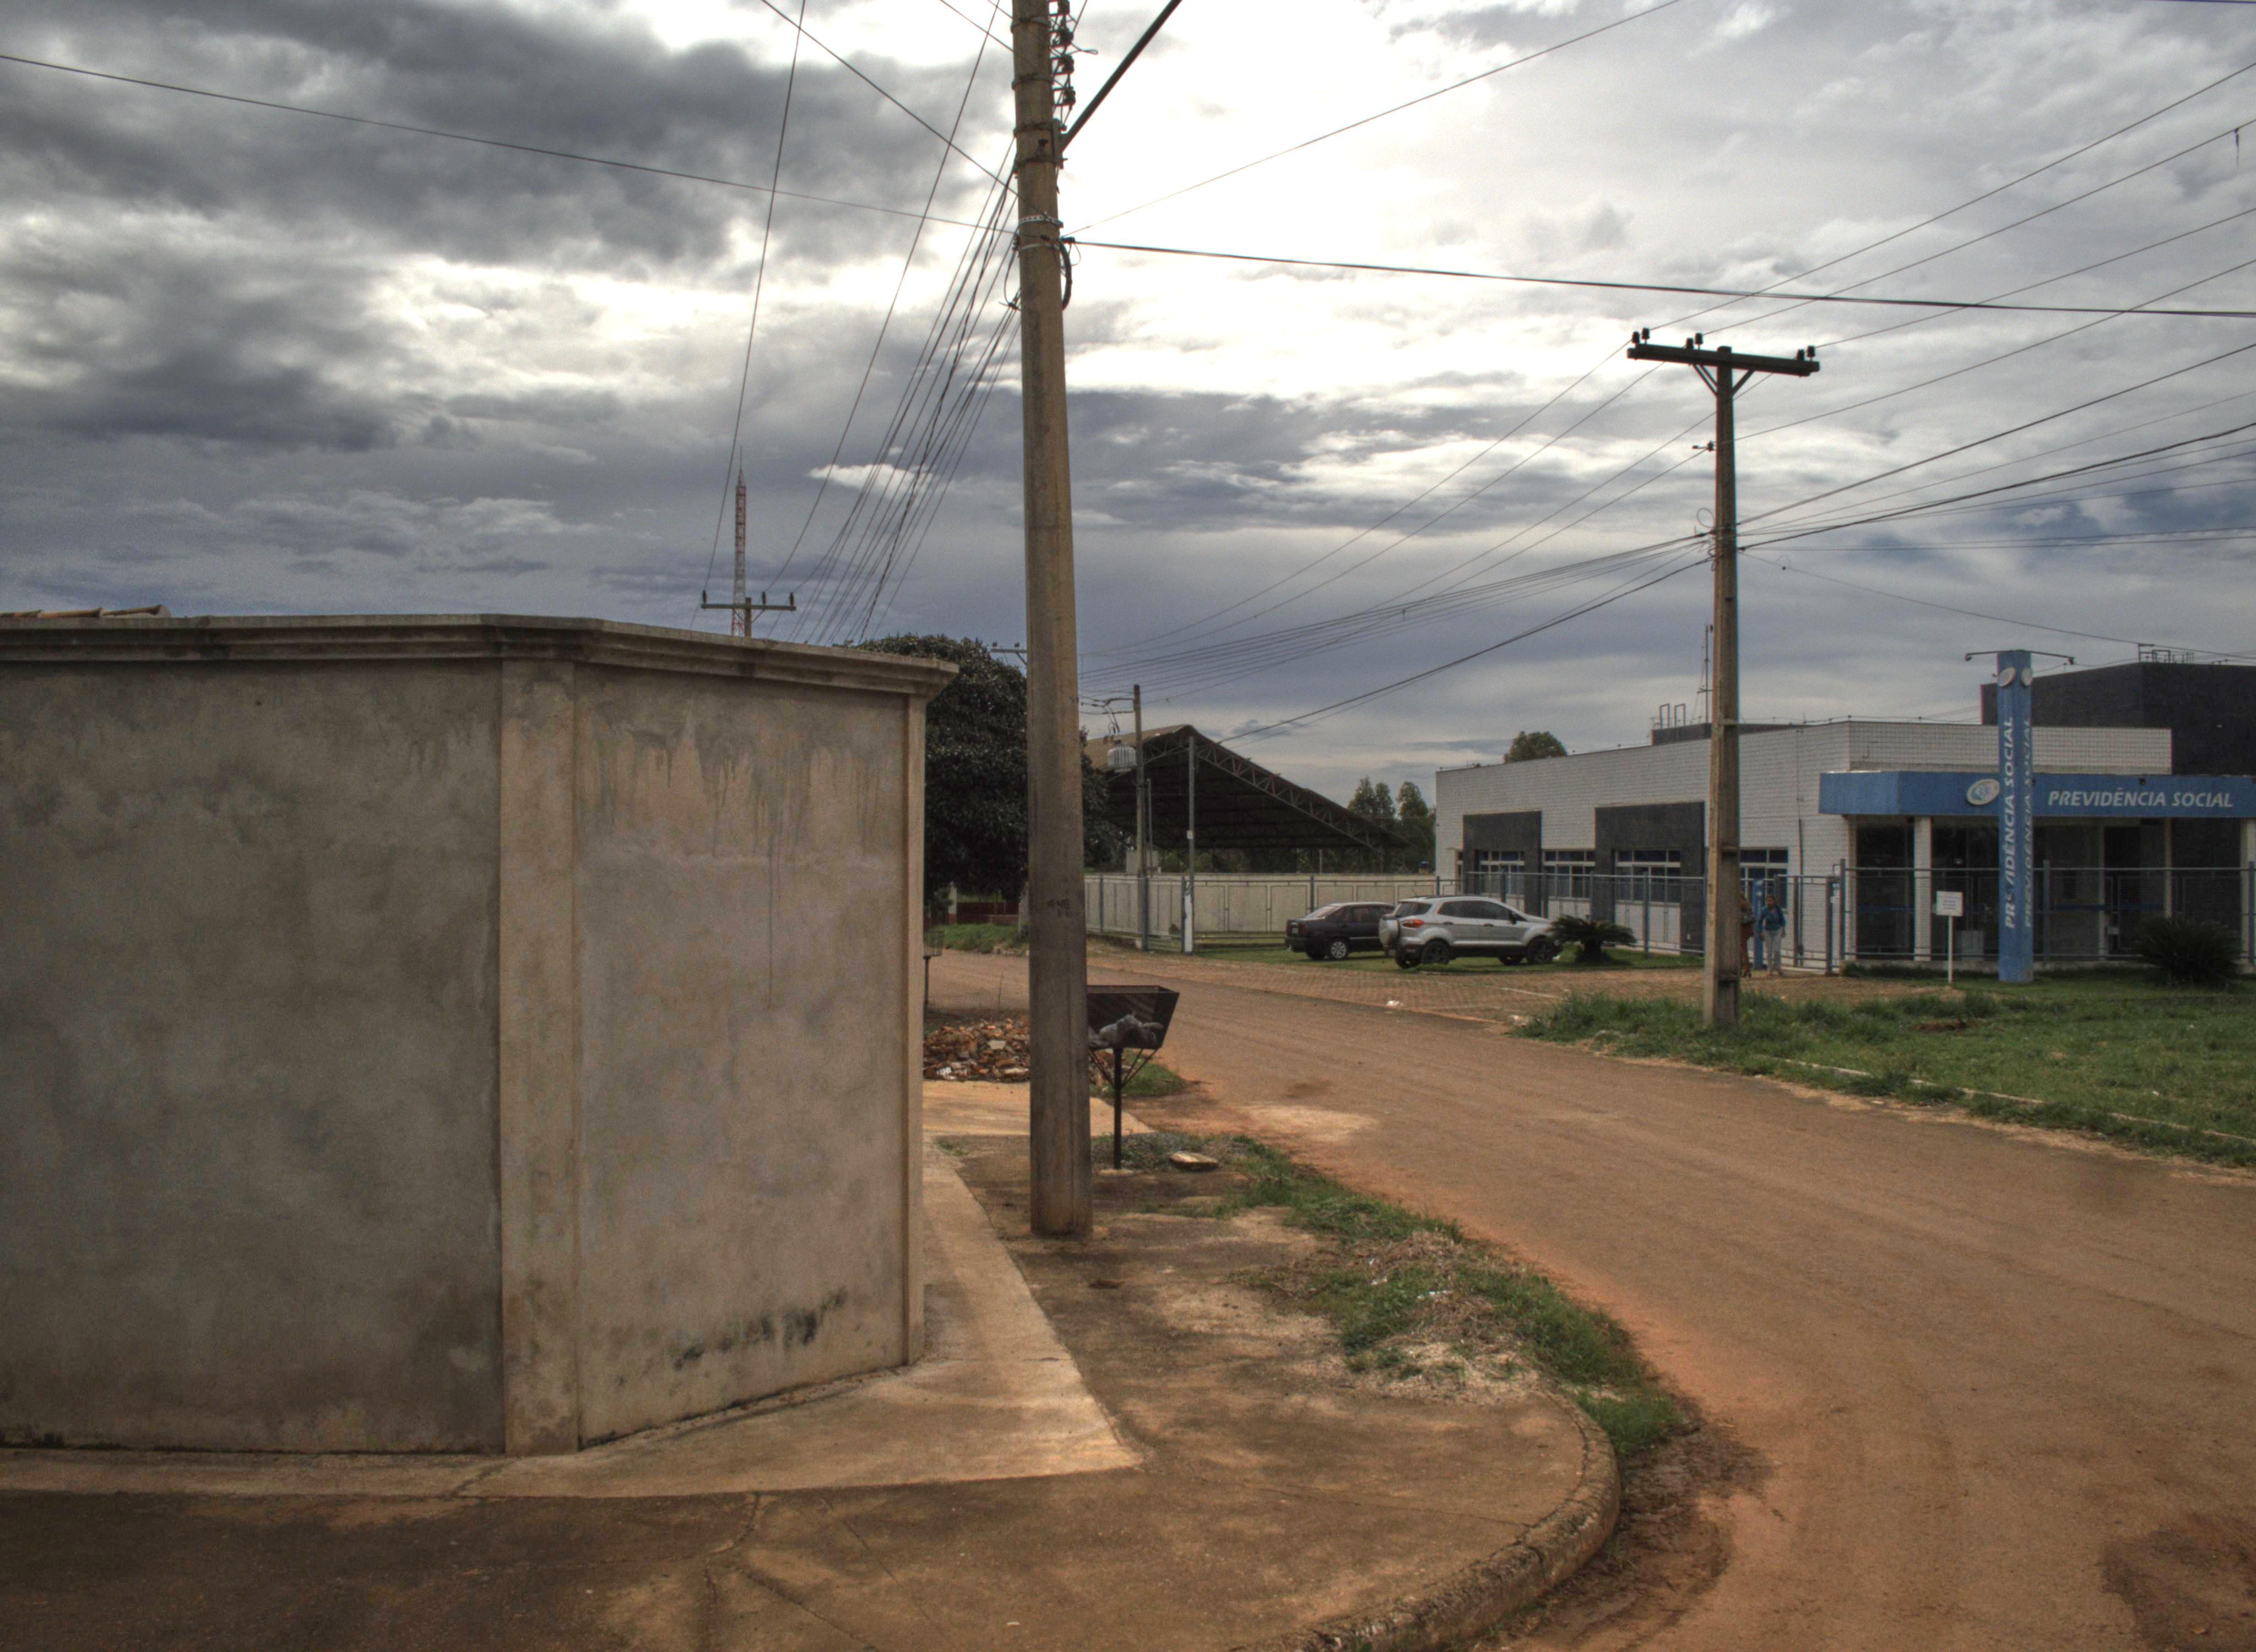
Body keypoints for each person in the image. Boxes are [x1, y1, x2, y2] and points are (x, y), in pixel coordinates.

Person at [1760, 888, 1788, 975]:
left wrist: (1783, 929)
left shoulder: (1778, 909)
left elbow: (1783, 920)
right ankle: (1770, 968)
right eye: (1767, 901)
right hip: (1768, 931)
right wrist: (1760, 932)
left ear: (1774, 901)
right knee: (1769, 951)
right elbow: (1760, 921)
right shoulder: (1764, 910)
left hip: (1777, 930)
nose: (1769, 903)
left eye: (1771, 901)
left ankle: (1778, 967)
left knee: (1777, 949)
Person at [1738, 887, 1755, 975]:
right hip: (1748, 928)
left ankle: (1746, 968)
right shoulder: (1748, 904)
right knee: (1742, 948)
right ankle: (1743, 967)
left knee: (1742, 949)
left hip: (1742, 928)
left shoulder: (1740, 904)